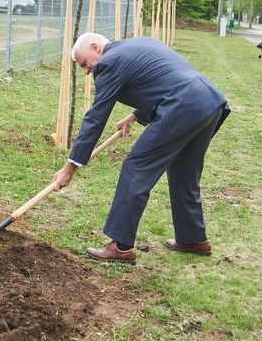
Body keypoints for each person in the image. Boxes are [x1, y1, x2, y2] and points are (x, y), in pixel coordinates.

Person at [52, 33, 230, 264]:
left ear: (95, 47)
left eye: (85, 64)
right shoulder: (137, 43)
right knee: (184, 171)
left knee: (136, 166)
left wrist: (70, 166)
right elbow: (161, 79)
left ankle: (121, 246)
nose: (86, 71)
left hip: (182, 106)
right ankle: (193, 238)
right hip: (208, 101)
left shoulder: (107, 62)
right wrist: (136, 114)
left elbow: (96, 117)